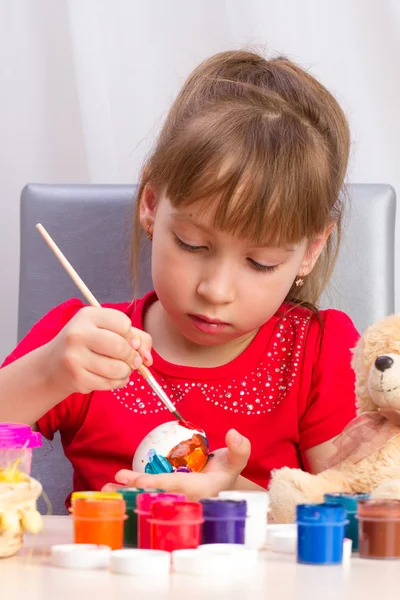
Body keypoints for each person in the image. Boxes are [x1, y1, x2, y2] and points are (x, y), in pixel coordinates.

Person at [0, 49, 360, 505]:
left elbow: (365, 517)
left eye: (261, 262)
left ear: (310, 250)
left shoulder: (317, 353)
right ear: (150, 205)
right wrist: (47, 373)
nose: (216, 290)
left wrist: (236, 494)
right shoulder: (84, 339)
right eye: (192, 244)